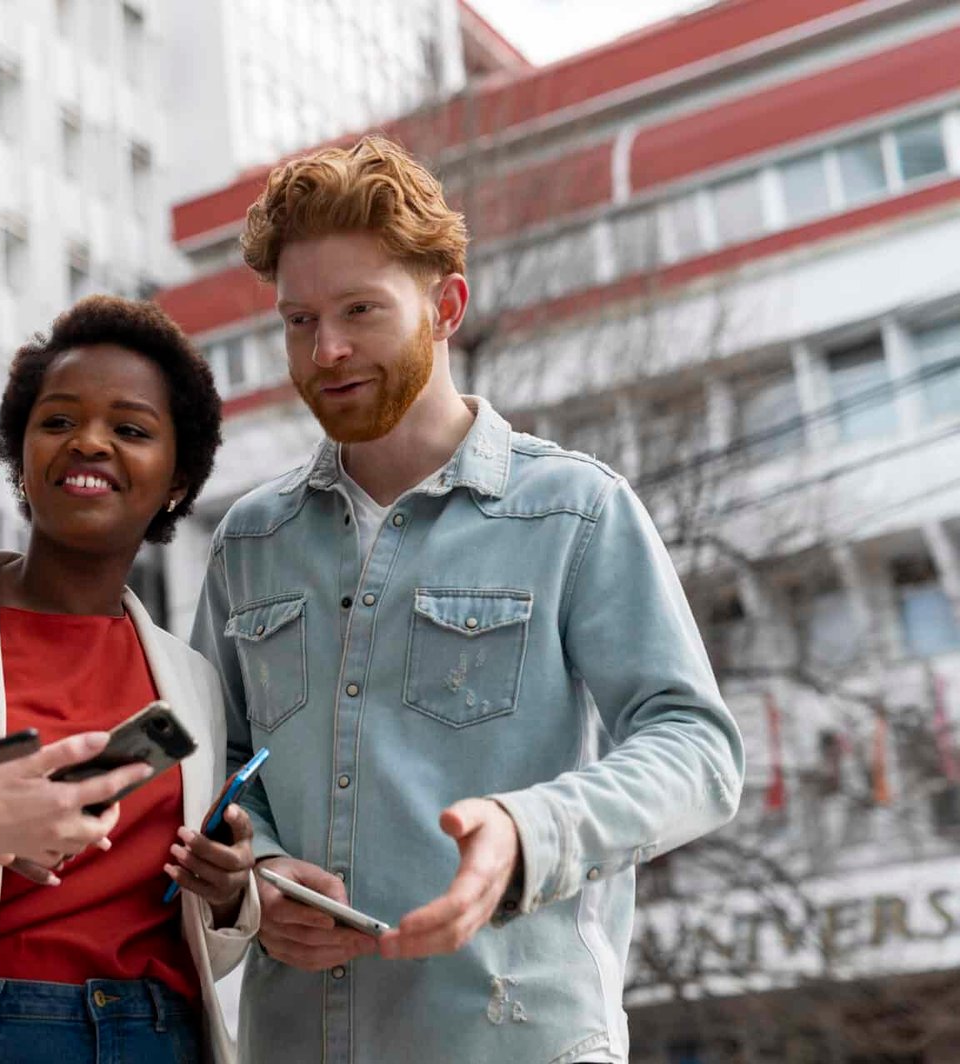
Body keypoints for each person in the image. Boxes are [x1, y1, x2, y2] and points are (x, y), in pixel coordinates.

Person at [190, 136, 745, 1063]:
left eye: (361, 310)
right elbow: (222, 767)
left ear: (446, 306)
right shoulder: (249, 542)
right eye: (298, 321)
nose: (325, 350)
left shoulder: (575, 511)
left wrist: (530, 832)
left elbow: (699, 750)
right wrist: (261, 871)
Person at [0, 295, 260, 1064]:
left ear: (177, 478)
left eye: (130, 430)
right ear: (21, 454)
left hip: (162, 1033)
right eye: (59, 421)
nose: (89, 443)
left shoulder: (193, 680)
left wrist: (229, 891)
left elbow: (207, 948)